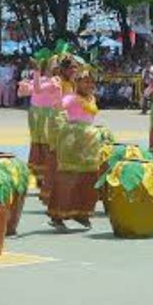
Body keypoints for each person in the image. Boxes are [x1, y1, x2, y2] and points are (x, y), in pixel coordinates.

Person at [48, 67, 101, 231]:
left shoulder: (92, 98)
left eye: (91, 82)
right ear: (77, 83)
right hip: (72, 139)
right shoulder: (71, 98)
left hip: (90, 141)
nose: (89, 85)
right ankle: (58, 215)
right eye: (86, 81)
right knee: (68, 176)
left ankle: (81, 212)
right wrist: (56, 93)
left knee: (89, 176)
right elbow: (59, 106)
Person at [18, 53, 61, 187]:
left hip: (51, 115)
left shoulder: (56, 81)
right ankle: (39, 174)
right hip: (36, 114)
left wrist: (35, 73)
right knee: (38, 143)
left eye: (56, 64)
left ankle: (49, 173)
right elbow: (23, 93)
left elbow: (36, 89)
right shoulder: (41, 79)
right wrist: (23, 86)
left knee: (49, 144)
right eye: (53, 63)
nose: (54, 66)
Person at [40, 55, 78, 205]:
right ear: (63, 69)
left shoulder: (73, 83)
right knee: (57, 156)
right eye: (71, 68)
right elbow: (37, 89)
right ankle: (52, 193)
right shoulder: (56, 81)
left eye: (75, 68)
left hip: (71, 121)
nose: (74, 70)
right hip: (58, 121)